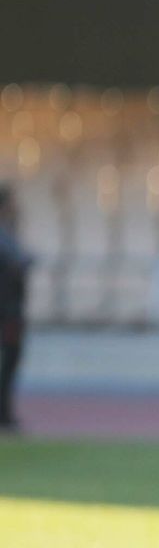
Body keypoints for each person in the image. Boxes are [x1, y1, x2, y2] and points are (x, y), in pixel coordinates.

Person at [0, 184, 32, 431]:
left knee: (10, 362)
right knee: (8, 362)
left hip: (10, 308)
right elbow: (18, 263)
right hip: (7, 310)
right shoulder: (4, 236)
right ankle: (5, 415)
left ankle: (6, 413)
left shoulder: (9, 232)